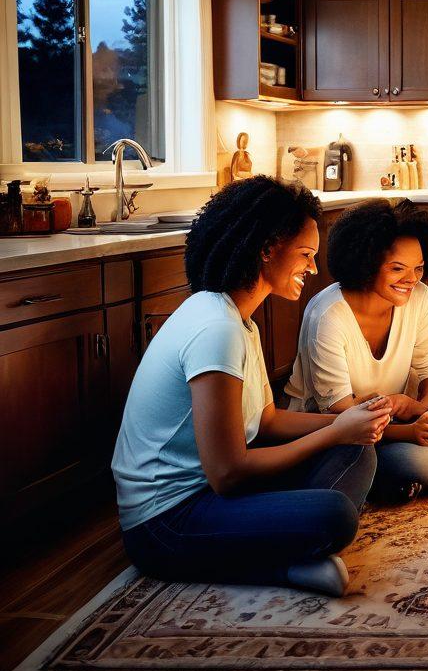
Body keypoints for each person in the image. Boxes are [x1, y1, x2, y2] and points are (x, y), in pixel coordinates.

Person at [113, 177, 391, 597]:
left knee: (357, 453)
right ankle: (283, 562)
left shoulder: (239, 320)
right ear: (266, 250)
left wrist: (347, 424)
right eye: (305, 255)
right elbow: (228, 474)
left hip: (209, 497)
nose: (313, 268)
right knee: (333, 514)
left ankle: (281, 547)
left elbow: (267, 420)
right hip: (165, 526)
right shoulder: (216, 329)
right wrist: (334, 430)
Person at [286, 199, 428, 503]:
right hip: (343, 438)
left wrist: (417, 409)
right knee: (426, 462)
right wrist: (410, 432)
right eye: (397, 268)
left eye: (418, 268)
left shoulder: (419, 297)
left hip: (400, 423)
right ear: (366, 264)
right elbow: (344, 417)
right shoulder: (328, 316)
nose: (412, 279)